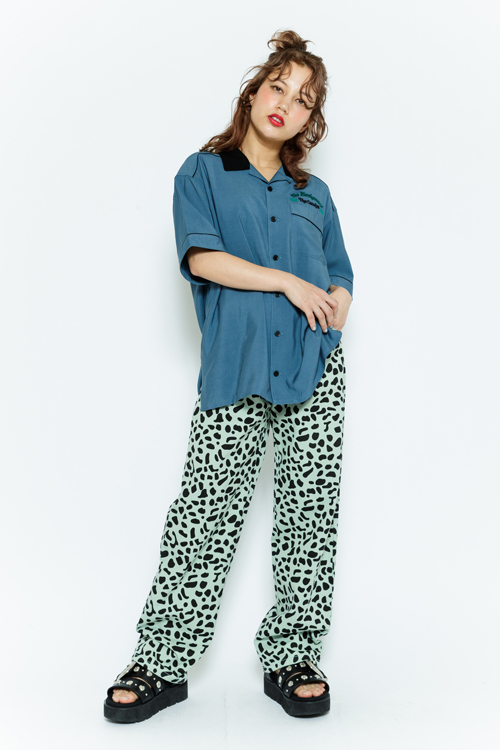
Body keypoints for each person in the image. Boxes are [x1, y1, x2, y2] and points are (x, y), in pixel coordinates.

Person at [103, 28, 354, 722]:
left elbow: (338, 270)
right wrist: (288, 283)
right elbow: (203, 259)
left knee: (310, 513)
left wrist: (336, 304)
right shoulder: (202, 173)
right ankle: (160, 661)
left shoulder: (315, 194)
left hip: (312, 366)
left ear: (309, 122)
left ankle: (293, 655)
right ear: (252, 93)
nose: (286, 104)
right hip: (235, 368)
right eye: (278, 86)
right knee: (205, 512)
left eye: (303, 100)